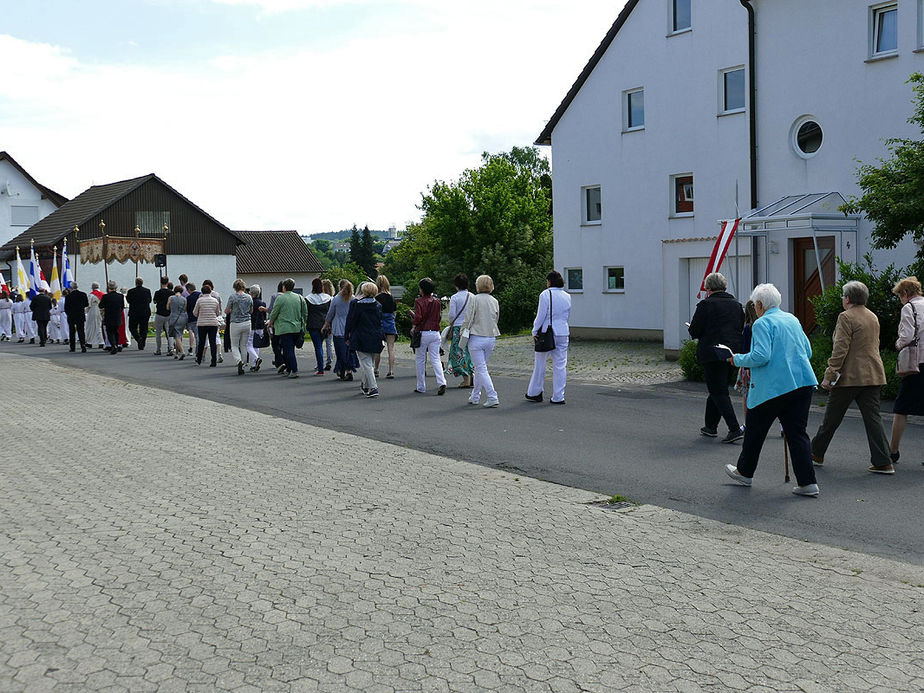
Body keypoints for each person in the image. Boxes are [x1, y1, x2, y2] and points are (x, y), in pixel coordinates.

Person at [724, 283, 820, 497]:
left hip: (773, 388)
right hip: (802, 383)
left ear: (759, 304)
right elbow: (808, 351)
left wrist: (736, 359)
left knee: (755, 431)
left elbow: (760, 356)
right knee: (797, 434)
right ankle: (808, 483)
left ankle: (745, 472)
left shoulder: (761, 323)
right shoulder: (792, 319)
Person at [809, 281, 892, 474]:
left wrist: (829, 375)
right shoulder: (872, 316)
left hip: (850, 376)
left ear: (848, 299)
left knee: (832, 418)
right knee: (873, 419)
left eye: (843, 297)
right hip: (873, 374)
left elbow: (840, 349)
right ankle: (883, 461)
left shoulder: (846, 317)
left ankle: (815, 453)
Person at [687, 272, 745, 443]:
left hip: (712, 353)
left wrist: (694, 329)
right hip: (732, 353)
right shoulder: (736, 305)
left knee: (718, 391)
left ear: (708, 288)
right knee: (717, 389)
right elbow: (738, 327)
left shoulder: (706, 305)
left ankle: (734, 428)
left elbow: (695, 330)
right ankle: (710, 426)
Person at [888, 276, 924, 465]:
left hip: (917, 364)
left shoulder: (909, 308)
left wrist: (898, 343)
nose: (900, 299)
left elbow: (907, 336)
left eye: (900, 295)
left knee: (901, 408)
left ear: (905, 293)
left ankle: (893, 451)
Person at [526, 270, 572, 405]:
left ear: (549, 282)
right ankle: (558, 396)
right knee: (560, 365)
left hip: (547, 332)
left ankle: (535, 392)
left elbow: (540, 316)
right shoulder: (567, 296)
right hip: (563, 332)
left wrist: (534, 331)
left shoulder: (545, 294)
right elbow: (567, 315)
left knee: (540, 364)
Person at [461, 274, 501, 407]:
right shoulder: (494, 300)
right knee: (480, 368)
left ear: (478, 286)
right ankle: (475, 395)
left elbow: (468, 318)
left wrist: (462, 332)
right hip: (491, 337)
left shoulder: (474, 299)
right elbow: (496, 318)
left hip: (476, 337)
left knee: (481, 368)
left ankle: (492, 395)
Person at [345, 281, 384, 397]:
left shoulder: (358, 305)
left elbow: (351, 321)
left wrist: (347, 335)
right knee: (370, 363)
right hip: (375, 336)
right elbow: (380, 322)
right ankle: (365, 384)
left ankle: (373, 387)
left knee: (366, 363)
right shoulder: (378, 306)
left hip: (361, 336)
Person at [411, 277, 446, 395]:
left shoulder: (419, 301)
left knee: (420, 360)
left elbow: (419, 317)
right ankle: (441, 382)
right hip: (435, 332)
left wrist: (414, 323)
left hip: (423, 332)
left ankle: (421, 386)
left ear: (421, 289)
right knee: (435, 358)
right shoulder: (437, 301)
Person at [267, 277, 307, 378]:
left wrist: (270, 322)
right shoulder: (300, 298)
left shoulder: (281, 298)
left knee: (288, 350)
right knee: (289, 349)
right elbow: (305, 313)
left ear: (284, 287)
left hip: (284, 328)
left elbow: (274, 312)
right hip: (297, 327)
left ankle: (294, 369)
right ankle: (289, 369)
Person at [325, 279, 358, 381]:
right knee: (350, 351)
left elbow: (330, 314)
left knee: (340, 351)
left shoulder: (336, 299)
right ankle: (349, 371)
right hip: (351, 329)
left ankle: (340, 369)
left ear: (340, 287)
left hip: (338, 328)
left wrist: (325, 325)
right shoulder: (353, 299)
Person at [447, 273, 474, 388]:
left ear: (456, 285)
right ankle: (472, 374)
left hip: (459, 328)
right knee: (470, 352)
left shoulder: (455, 297)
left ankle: (466, 379)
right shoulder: (473, 296)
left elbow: (452, 315)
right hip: (471, 327)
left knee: (459, 353)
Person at [735, 300, 759, 427]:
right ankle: (783, 424)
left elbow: (745, 349)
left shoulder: (748, 328)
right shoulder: (764, 325)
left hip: (749, 364)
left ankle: (747, 422)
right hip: (763, 365)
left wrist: (745, 366)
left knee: (746, 395)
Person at [226, 278, 253, 375]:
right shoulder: (249, 297)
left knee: (234, 345)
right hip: (247, 322)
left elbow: (227, 310)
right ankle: (245, 363)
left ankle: (239, 361)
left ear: (235, 287)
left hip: (235, 323)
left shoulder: (233, 297)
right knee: (244, 345)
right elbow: (251, 311)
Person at [374, 274, 398, 379]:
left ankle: (376, 369)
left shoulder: (376, 298)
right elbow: (394, 313)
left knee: (378, 348)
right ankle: (391, 370)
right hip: (390, 322)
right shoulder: (391, 297)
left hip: (380, 323)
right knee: (391, 348)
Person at [306, 278, 331, 375]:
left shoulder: (308, 299)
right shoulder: (328, 298)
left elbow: (306, 312)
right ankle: (320, 365)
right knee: (321, 345)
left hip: (313, 325)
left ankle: (320, 368)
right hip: (324, 324)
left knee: (318, 347)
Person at [193, 283, 221, 366]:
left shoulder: (199, 300)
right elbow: (218, 313)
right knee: (212, 342)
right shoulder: (215, 301)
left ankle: (199, 359)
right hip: (213, 323)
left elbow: (195, 313)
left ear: (202, 292)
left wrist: (200, 315)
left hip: (202, 323)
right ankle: (213, 360)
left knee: (202, 342)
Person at [99, 281, 125, 355]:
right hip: (117, 315)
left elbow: (100, 306)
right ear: (116, 287)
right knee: (116, 331)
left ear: (108, 288)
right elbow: (122, 306)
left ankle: (113, 345)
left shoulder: (105, 296)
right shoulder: (120, 296)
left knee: (110, 332)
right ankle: (116, 344)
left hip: (109, 316)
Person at [126, 277, 152, 350]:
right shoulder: (147, 291)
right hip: (145, 312)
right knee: (144, 328)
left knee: (132, 327)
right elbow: (149, 300)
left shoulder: (131, 291)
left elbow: (128, 301)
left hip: (134, 312)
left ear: (136, 283)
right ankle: (142, 342)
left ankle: (138, 339)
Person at [246, 285, 266, 372]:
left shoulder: (250, 302)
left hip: (252, 325)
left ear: (251, 293)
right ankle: (254, 364)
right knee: (256, 345)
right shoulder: (262, 303)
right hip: (260, 325)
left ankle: (256, 359)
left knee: (248, 344)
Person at [64, 282, 88, 352]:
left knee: (72, 332)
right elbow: (86, 304)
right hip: (80, 315)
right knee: (81, 331)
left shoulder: (68, 296)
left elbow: (66, 308)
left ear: (71, 288)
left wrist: (69, 314)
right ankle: (83, 345)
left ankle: (72, 347)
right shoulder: (83, 294)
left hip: (71, 316)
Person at [167, 285, 189, 360]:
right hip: (182, 318)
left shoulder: (171, 298)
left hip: (174, 317)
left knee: (176, 336)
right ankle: (176, 353)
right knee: (179, 335)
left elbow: (167, 307)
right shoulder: (184, 299)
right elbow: (185, 309)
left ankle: (182, 352)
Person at [152, 276, 172, 355]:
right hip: (168, 314)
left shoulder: (158, 292)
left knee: (158, 333)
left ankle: (158, 349)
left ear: (161, 282)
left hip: (159, 313)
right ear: (167, 282)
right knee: (169, 332)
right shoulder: (171, 292)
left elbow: (154, 302)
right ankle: (171, 348)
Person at [321, 278, 336, 370]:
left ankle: (322, 362)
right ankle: (329, 361)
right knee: (329, 343)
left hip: (323, 322)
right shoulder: (332, 299)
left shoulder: (322, 299)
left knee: (320, 344)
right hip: (331, 323)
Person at [185, 282, 200, 357]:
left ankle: (194, 349)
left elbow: (187, 309)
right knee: (198, 336)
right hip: (199, 318)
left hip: (191, 318)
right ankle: (198, 351)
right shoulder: (200, 295)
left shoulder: (188, 298)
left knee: (193, 334)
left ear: (189, 289)